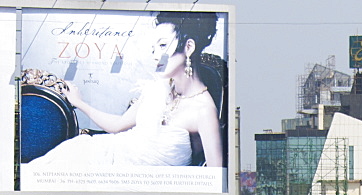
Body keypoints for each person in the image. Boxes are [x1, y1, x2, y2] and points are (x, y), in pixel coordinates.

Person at [24, 12, 223, 178]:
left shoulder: (203, 111)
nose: (155, 55)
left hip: (140, 190)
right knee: (44, 172)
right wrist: (80, 103)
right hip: (106, 160)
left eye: (163, 46)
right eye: (153, 48)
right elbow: (117, 125)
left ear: (188, 47)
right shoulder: (159, 89)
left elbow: (214, 180)